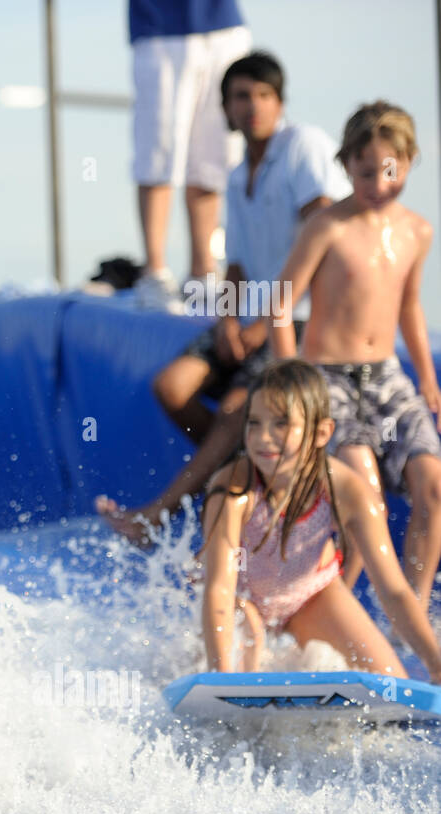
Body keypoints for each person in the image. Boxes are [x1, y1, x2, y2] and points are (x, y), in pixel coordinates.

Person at [98, 51, 349, 544]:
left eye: (263, 95)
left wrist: (264, 322)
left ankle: (158, 514)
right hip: (251, 318)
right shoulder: (236, 175)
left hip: (296, 319)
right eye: (241, 96)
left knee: (238, 410)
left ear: (280, 102)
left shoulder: (304, 146)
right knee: (171, 387)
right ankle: (238, 465)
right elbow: (235, 263)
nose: (253, 106)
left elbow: (326, 238)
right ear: (227, 108)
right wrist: (231, 320)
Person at [270, 101, 441, 611]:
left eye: (390, 170)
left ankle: (408, 618)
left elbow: (408, 304)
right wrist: (289, 377)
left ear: (409, 162)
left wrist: (427, 379)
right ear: (346, 166)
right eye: (365, 172)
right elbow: (282, 303)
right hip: (328, 376)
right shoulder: (327, 225)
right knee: (362, 488)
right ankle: (338, 612)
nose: (378, 182)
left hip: (388, 375)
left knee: (433, 485)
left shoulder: (417, 230)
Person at [199, 360, 441, 681]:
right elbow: (218, 588)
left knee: (389, 682)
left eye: (281, 424)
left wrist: (436, 664)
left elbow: (394, 590)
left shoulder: (348, 491)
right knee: (244, 650)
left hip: (309, 595)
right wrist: (220, 680)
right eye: (254, 423)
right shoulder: (233, 490)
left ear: (321, 432)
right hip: (239, 600)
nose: (263, 437)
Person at [128, 0, 251, 312]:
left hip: (222, 22)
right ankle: (154, 273)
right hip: (160, 25)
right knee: (159, 150)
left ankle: (203, 273)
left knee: (214, 154)